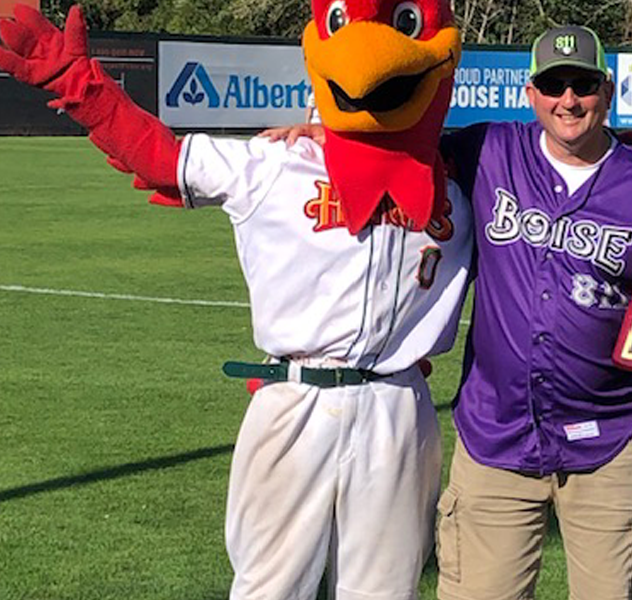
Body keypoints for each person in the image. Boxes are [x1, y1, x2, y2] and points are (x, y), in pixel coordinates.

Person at [0, 4, 471, 599]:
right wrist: (79, 84)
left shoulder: (460, 180)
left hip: (399, 405)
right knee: (270, 587)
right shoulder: (273, 163)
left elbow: (559, 160)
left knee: (386, 589)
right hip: (293, 398)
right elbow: (160, 158)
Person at [432, 25, 632, 600]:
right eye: (554, 85)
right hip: (495, 436)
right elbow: (400, 149)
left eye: (582, 84)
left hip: (609, 438)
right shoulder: (487, 150)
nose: (568, 100)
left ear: (606, 91)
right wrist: (316, 134)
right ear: (531, 94)